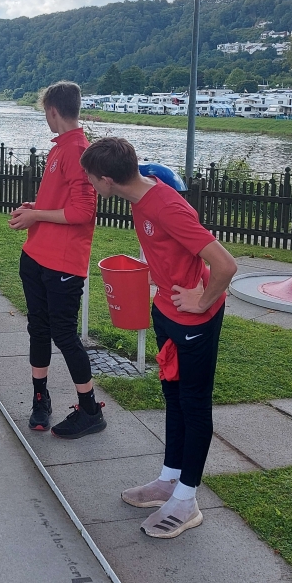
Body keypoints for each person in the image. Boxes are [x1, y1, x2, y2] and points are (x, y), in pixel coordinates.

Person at [80, 137, 237, 538]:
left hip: (193, 321)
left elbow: (225, 264)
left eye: (90, 178)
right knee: (174, 397)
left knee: (194, 404)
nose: (89, 184)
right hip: (167, 312)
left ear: (106, 179)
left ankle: (186, 501)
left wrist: (202, 300)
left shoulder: (165, 205)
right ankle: (170, 480)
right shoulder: (140, 191)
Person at [8, 81, 106, 439]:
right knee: (38, 328)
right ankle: (40, 398)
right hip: (35, 255)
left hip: (63, 263)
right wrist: (37, 208)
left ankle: (90, 410)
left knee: (63, 334)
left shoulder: (79, 150)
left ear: (52, 111)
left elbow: (83, 212)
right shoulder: (60, 147)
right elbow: (62, 203)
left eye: (45, 113)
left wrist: (37, 216)